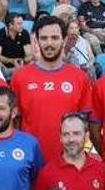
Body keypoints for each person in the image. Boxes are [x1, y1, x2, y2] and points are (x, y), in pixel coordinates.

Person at [12, 16, 93, 162]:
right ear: (36, 41)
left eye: (55, 38)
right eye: (44, 38)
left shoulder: (80, 77)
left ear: (64, 40)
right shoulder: (20, 77)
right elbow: (15, 123)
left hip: (69, 161)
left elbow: (85, 124)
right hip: (30, 161)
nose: (49, 43)